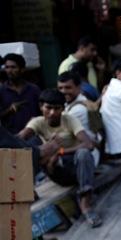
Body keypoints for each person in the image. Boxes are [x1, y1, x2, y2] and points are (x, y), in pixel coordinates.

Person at [18, 89, 101, 227]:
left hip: (76, 169)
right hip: (56, 171)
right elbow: (21, 138)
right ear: (41, 107)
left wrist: (60, 151)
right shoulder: (37, 122)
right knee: (30, 149)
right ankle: (28, 190)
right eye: (48, 108)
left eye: (57, 108)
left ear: (63, 108)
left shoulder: (69, 120)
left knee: (83, 153)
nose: (52, 113)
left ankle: (85, 204)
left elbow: (88, 144)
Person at [57, 71, 102, 165]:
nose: (63, 91)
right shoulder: (70, 103)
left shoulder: (78, 109)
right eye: (60, 88)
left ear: (79, 88)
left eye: (68, 87)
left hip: (83, 155)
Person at [0, 53, 41, 134]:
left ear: (22, 69)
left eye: (13, 67)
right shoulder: (1, 91)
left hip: (33, 135)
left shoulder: (34, 89)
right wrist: (9, 110)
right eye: (7, 67)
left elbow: (42, 112)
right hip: (11, 137)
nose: (9, 71)